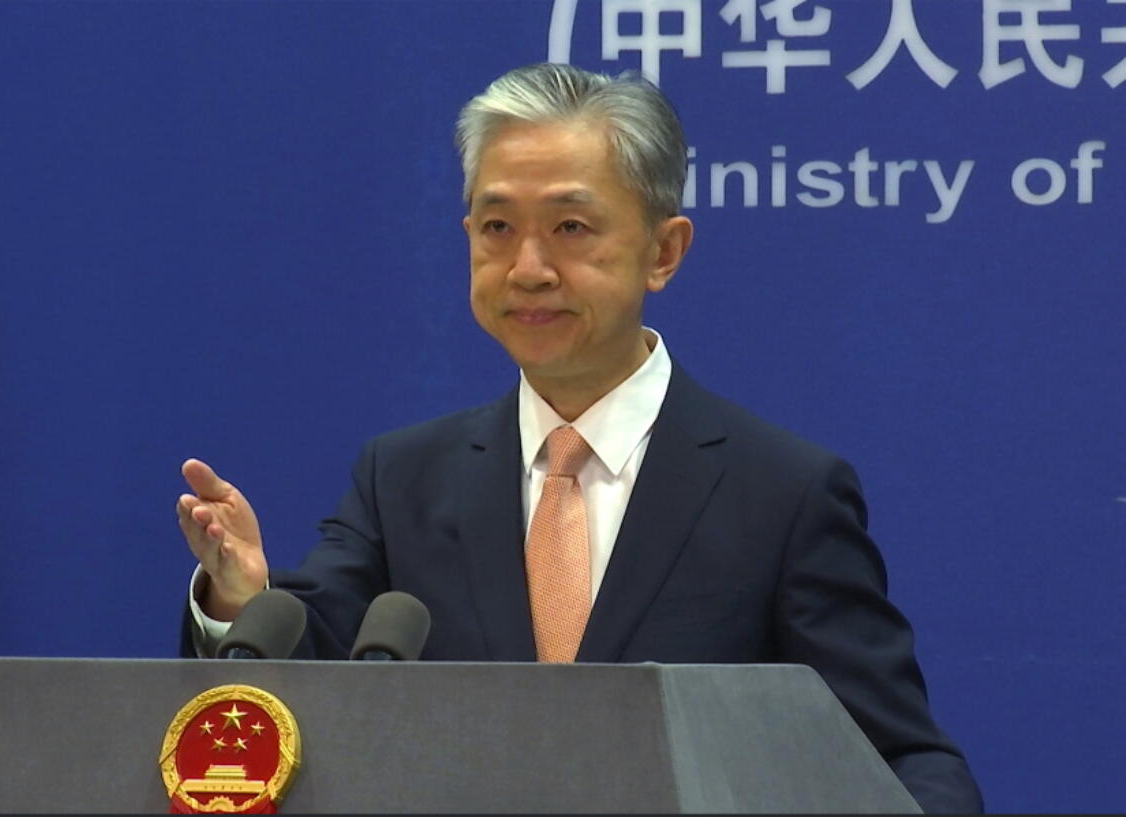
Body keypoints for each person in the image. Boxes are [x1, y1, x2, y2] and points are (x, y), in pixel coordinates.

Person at [177, 63, 982, 813]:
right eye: (496, 226)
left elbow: (905, 761)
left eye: (569, 226)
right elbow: (308, 682)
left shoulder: (782, 492)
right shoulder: (404, 477)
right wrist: (240, 595)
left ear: (663, 251)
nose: (528, 267)